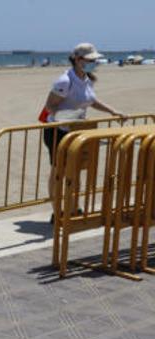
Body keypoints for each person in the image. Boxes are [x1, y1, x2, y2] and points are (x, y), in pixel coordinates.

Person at [41, 42, 126, 222]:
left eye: (95, 60)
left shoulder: (87, 79)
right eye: (90, 60)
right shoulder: (65, 80)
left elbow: (91, 101)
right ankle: (57, 212)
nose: (93, 63)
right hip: (58, 131)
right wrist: (70, 117)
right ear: (78, 60)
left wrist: (112, 111)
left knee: (76, 170)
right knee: (59, 171)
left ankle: (73, 208)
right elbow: (50, 107)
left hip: (78, 131)